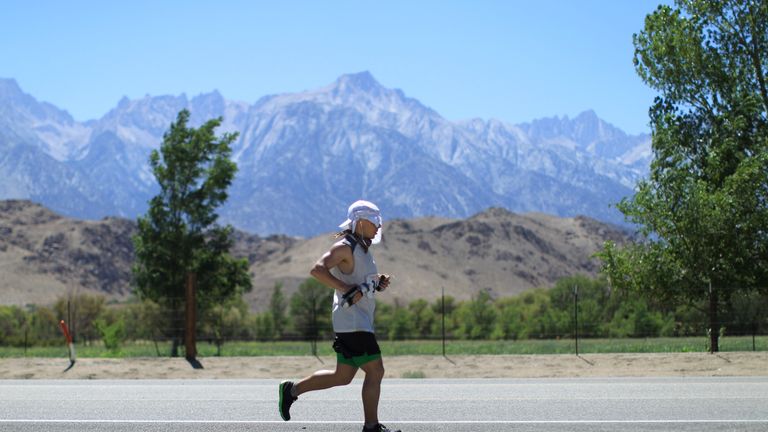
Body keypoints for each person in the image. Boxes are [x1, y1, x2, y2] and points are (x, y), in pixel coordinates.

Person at [278, 200, 401, 432]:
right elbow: (317, 270)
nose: (377, 227)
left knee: (342, 376)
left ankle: (291, 390)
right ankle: (371, 427)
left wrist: (377, 282)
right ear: (360, 222)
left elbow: (358, 281)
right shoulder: (345, 247)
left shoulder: (363, 249)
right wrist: (345, 289)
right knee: (376, 370)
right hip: (353, 323)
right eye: (374, 222)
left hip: (358, 321)